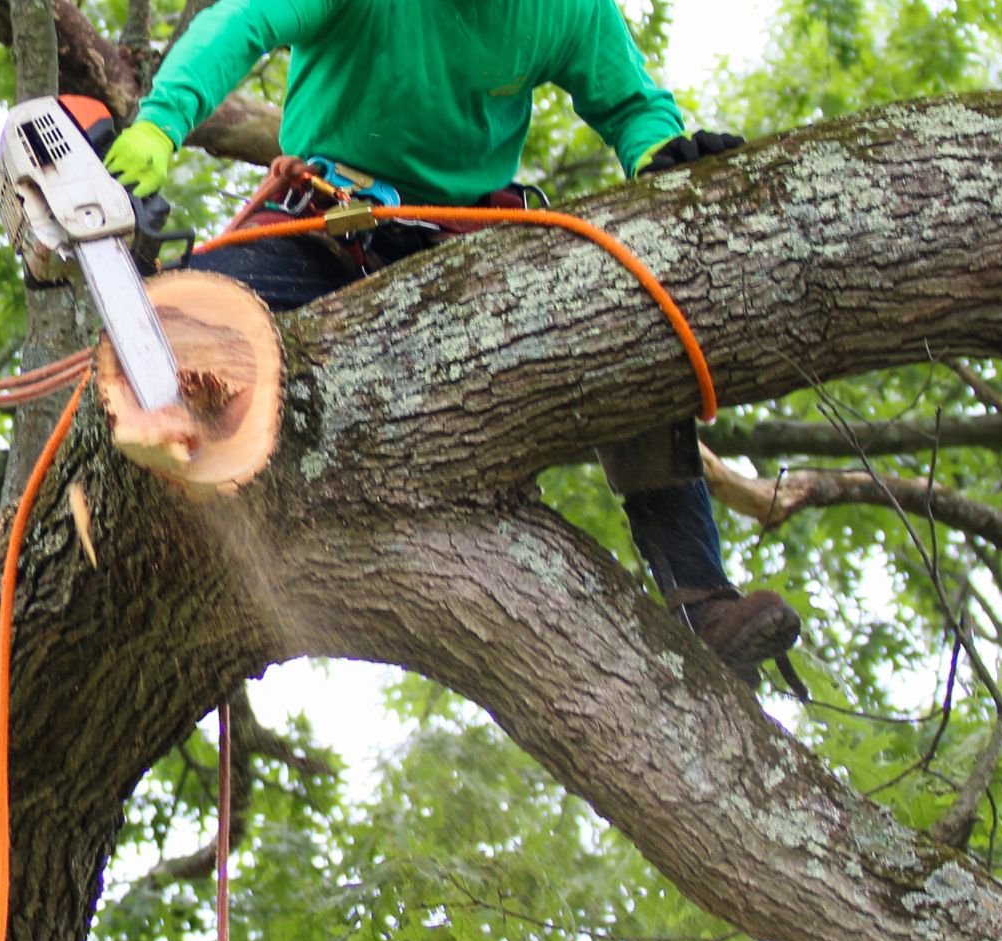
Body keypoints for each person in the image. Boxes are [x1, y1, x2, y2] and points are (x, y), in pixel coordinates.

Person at [103, 0, 801, 688]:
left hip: (467, 256)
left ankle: (701, 602)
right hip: (324, 232)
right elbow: (244, 20)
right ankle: (174, 559)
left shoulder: (567, 10)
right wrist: (164, 122)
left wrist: (657, 154)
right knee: (184, 330)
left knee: (627, 319)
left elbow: (630, 105)